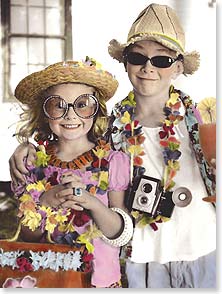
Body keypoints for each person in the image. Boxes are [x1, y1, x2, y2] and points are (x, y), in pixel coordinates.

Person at [9, 3, 216, 288]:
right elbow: (69, 136)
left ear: (178, 66)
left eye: (162, 61)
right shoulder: (108, 126)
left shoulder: (203, 119)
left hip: (205, 248)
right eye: (137, 57)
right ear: (125, 62)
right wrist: (25, 146)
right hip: (142, 258)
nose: (147, 67)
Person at [9, 57, 133, 288]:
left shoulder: (112, 162)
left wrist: (91, 203)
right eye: (58, 104)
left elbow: (120, 233)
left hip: (99, 283)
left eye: (82, 103)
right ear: (45, 111)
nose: (71, 115)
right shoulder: (33, 163)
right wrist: (46, 200)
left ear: (96, 109)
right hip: (50, 280)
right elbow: (29, 236)